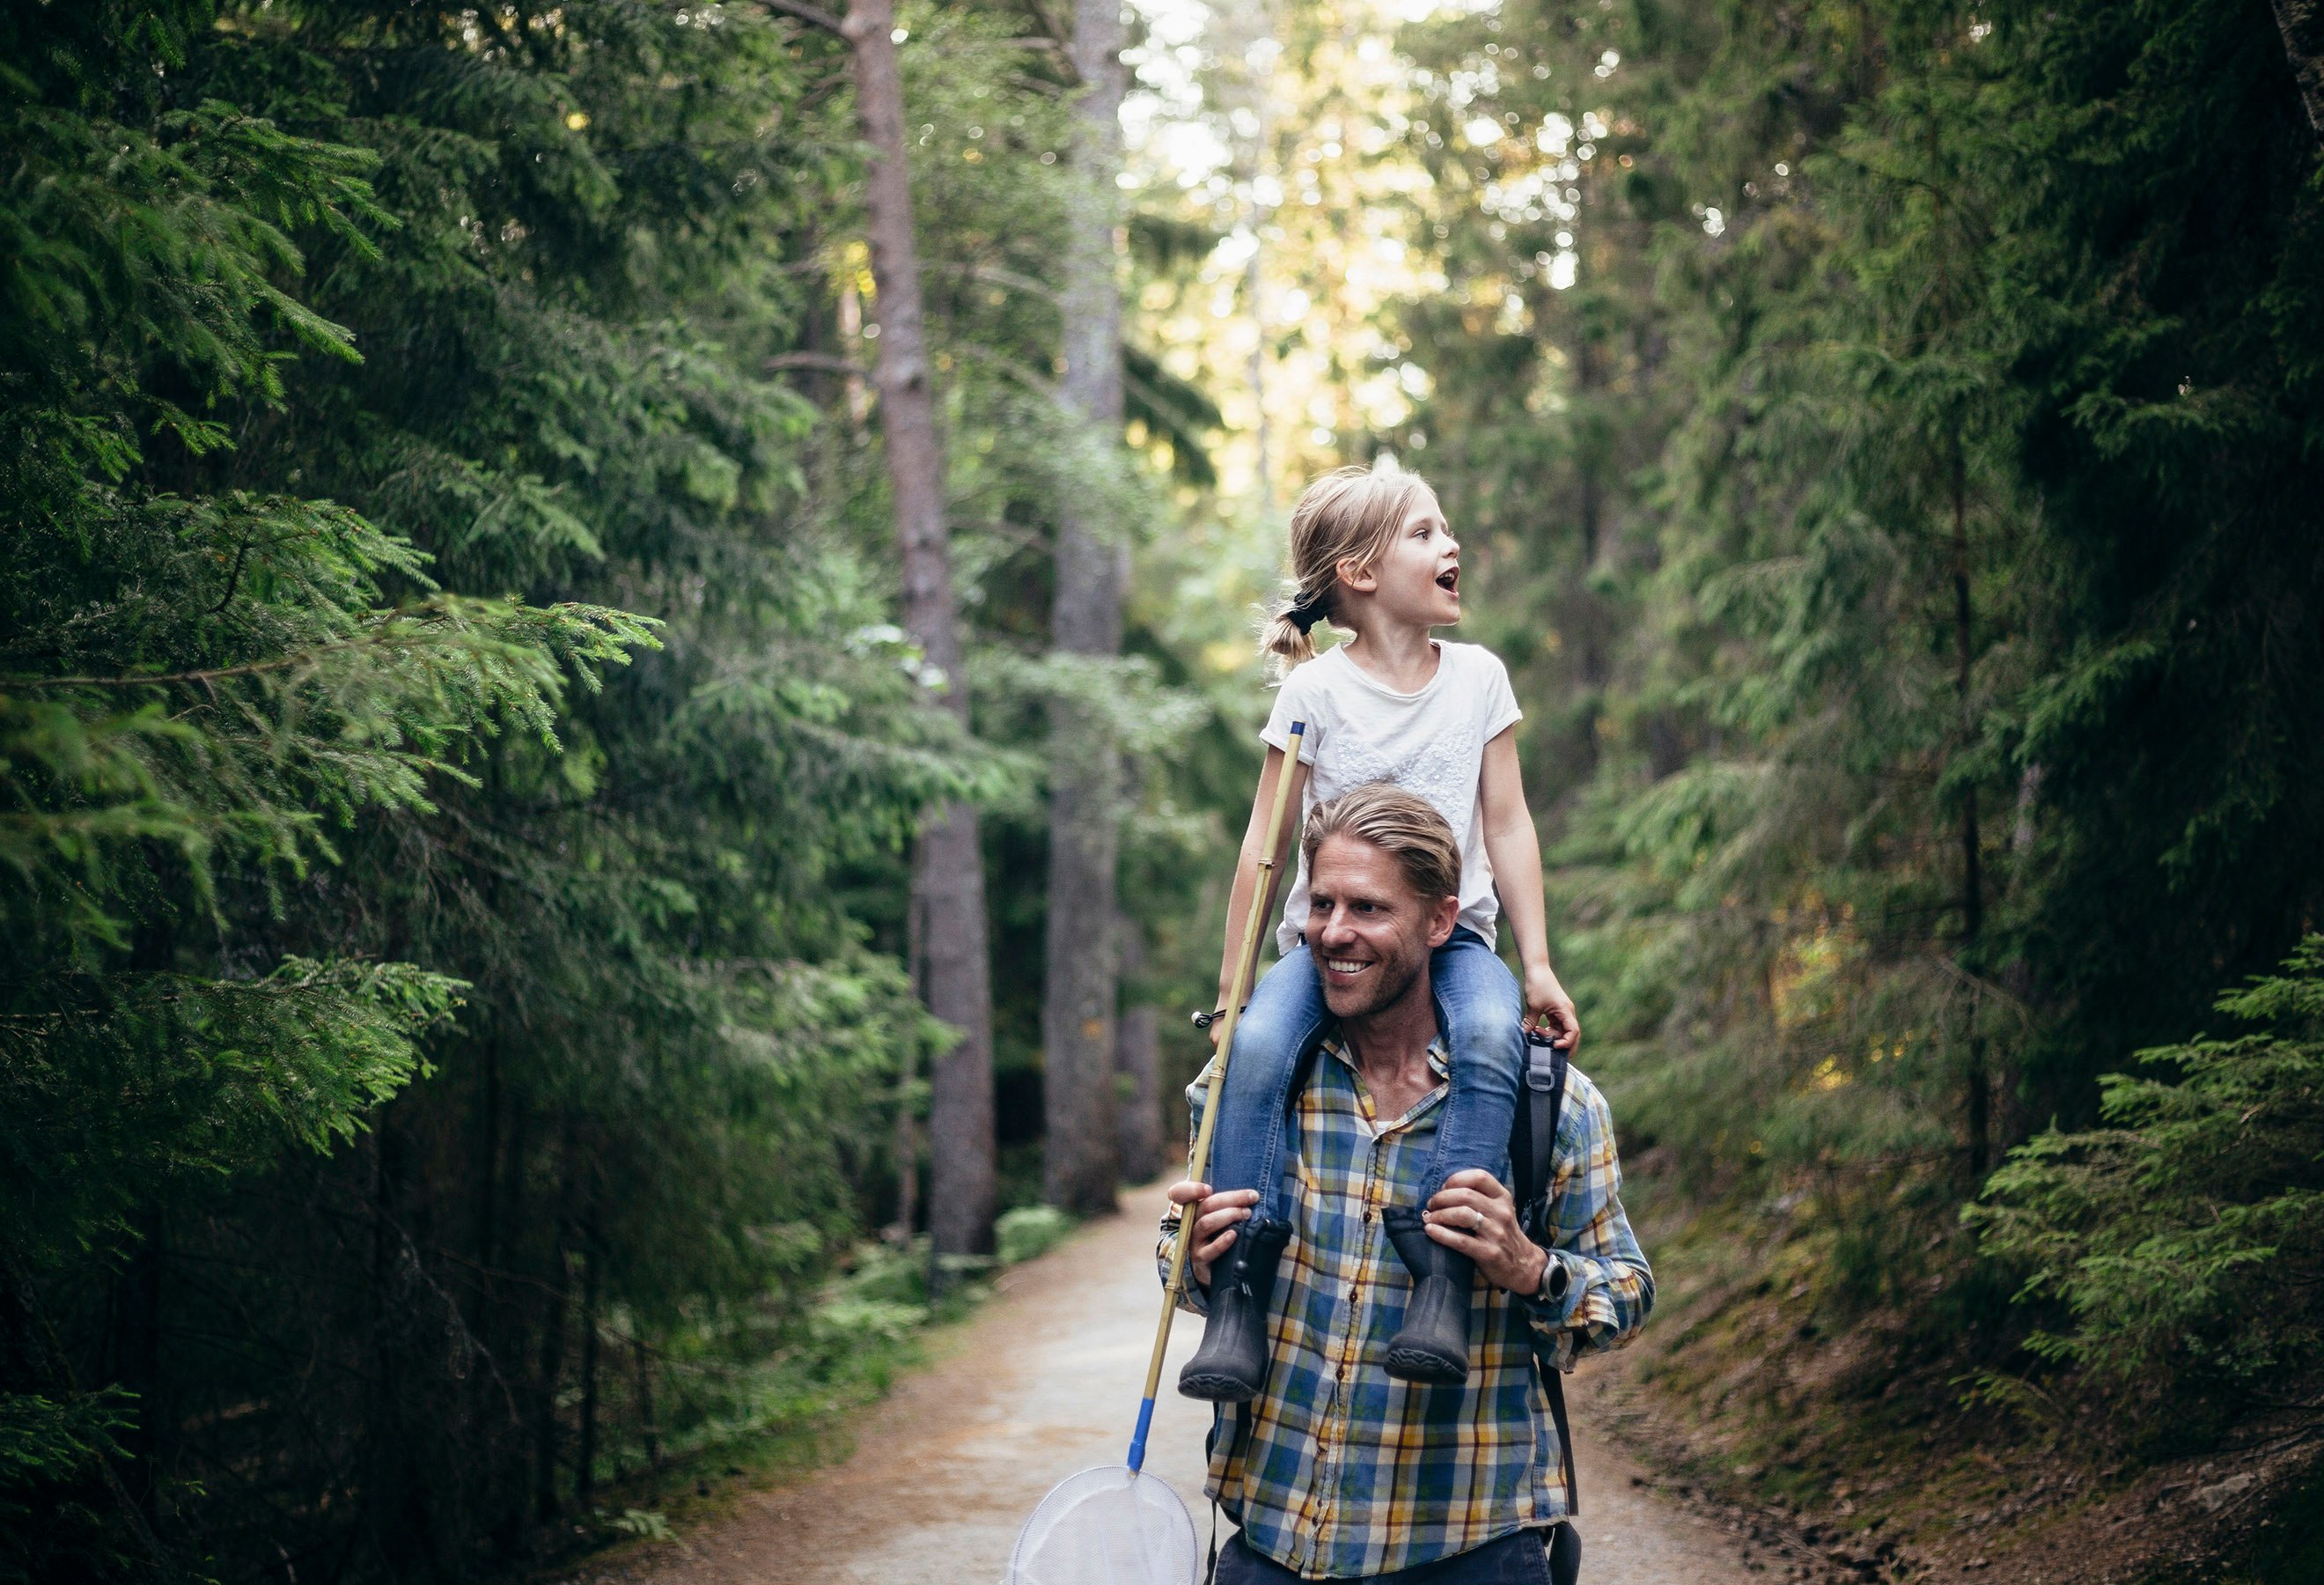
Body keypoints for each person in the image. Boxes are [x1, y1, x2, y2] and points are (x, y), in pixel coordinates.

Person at [1160, 784, 1652, 1581]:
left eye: (1368, 908)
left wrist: (1530, 1268)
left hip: (1467, 1551)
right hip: (1270, 1544)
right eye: (1321, 904)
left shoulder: (1549, 1105)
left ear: (1440, 921)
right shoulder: (1248, 1088)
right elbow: (1178, 1269)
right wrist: (1193, 1254)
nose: (1334, 933)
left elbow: (1626, 1295)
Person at [1180, 463, 1580, 1404]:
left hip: (1458, 942)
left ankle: (1440, 1276)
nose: (1453, 548)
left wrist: (1540, 963)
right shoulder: (1314, 694)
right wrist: (1235, 988)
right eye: (1427, 533)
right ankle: (1239, 1290)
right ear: (1359, 572)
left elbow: (1510, 824)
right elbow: (1263, 847)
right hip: (1325, 949)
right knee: (1261, 1047)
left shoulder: (1479, 678)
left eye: (1448, 531)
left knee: (1487, 1038)